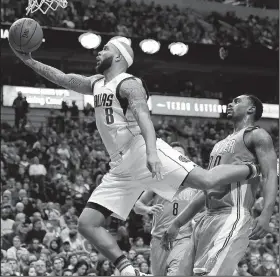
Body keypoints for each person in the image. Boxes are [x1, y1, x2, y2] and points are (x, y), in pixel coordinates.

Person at [10, 39, 260, 276]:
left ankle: (250, 169)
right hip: (120, 165)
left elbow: (144, 119)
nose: (98, 52)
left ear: (118, 55)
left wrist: (152, 153)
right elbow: (64, 79)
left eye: (104, 48)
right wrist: (28, 60)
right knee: (87, 223)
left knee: (205, 181)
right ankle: (128, 269)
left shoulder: (129, 83)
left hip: (141, 149)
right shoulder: (97, 83)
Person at [161, 95, 278, 276]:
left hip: (232, 214)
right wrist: (177, 223)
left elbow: (270, 174)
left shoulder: (257, 135)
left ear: (251, 109)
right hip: (206, 217)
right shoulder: (220, 144)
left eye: (237, 101)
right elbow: (206, 190)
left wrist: (266, 214)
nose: (231, 104)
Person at [134, 142, 200, 275]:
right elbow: (137, 206)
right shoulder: (158, 181)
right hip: (159, 239)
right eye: (174, 154)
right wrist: (148, 209)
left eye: (180, 155)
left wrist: (198, 220)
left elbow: (205, 208)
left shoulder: (195, 184)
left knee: (177, 273)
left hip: (183, 238)